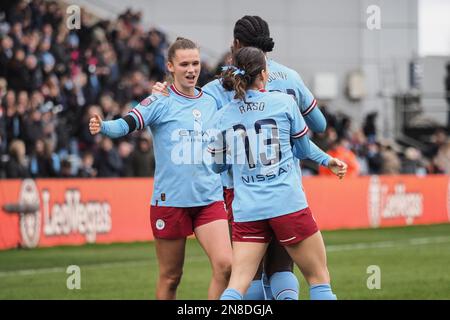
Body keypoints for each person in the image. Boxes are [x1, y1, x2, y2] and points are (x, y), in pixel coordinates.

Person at [152, 15, 336, 300]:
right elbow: (320, 126)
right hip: (285, 189)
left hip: (241, 195)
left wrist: (162, 94)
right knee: (289, 269)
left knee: (245, 276)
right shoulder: (289, 81)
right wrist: (323, 158)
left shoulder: (220, 91)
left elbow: (190, 104)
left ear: (235, 45)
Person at [89, 37, 232, 300]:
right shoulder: (159, 101)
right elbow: (127, 123)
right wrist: (104, 126)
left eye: (196, 63)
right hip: (171, 202)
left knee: (226, 266)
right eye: (184, 64)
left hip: (209, 199)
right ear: (170, 66)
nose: (191, 70)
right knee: (171, 277)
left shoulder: (212, 100)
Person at [208, 47, 343, 300]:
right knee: (319, 280)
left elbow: (217, 167)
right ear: (263, 74)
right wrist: (325, 160)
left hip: (248, 209)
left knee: (237, 285)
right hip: (286, 203)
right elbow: (302, 150)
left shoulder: (222, 117)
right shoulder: (284, 103)